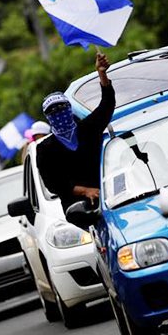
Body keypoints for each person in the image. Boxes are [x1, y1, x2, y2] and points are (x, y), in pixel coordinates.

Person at [36, 53, 114, 221]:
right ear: (47, 117)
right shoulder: (45, 149)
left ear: (69, 109)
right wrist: (85, 191)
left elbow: (107, 104)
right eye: (53, 111)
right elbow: (53, 184)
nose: (59, 113)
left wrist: (102, 73)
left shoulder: (89, 128)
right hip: (79, 211)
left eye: (62, 108)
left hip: (113, 198)